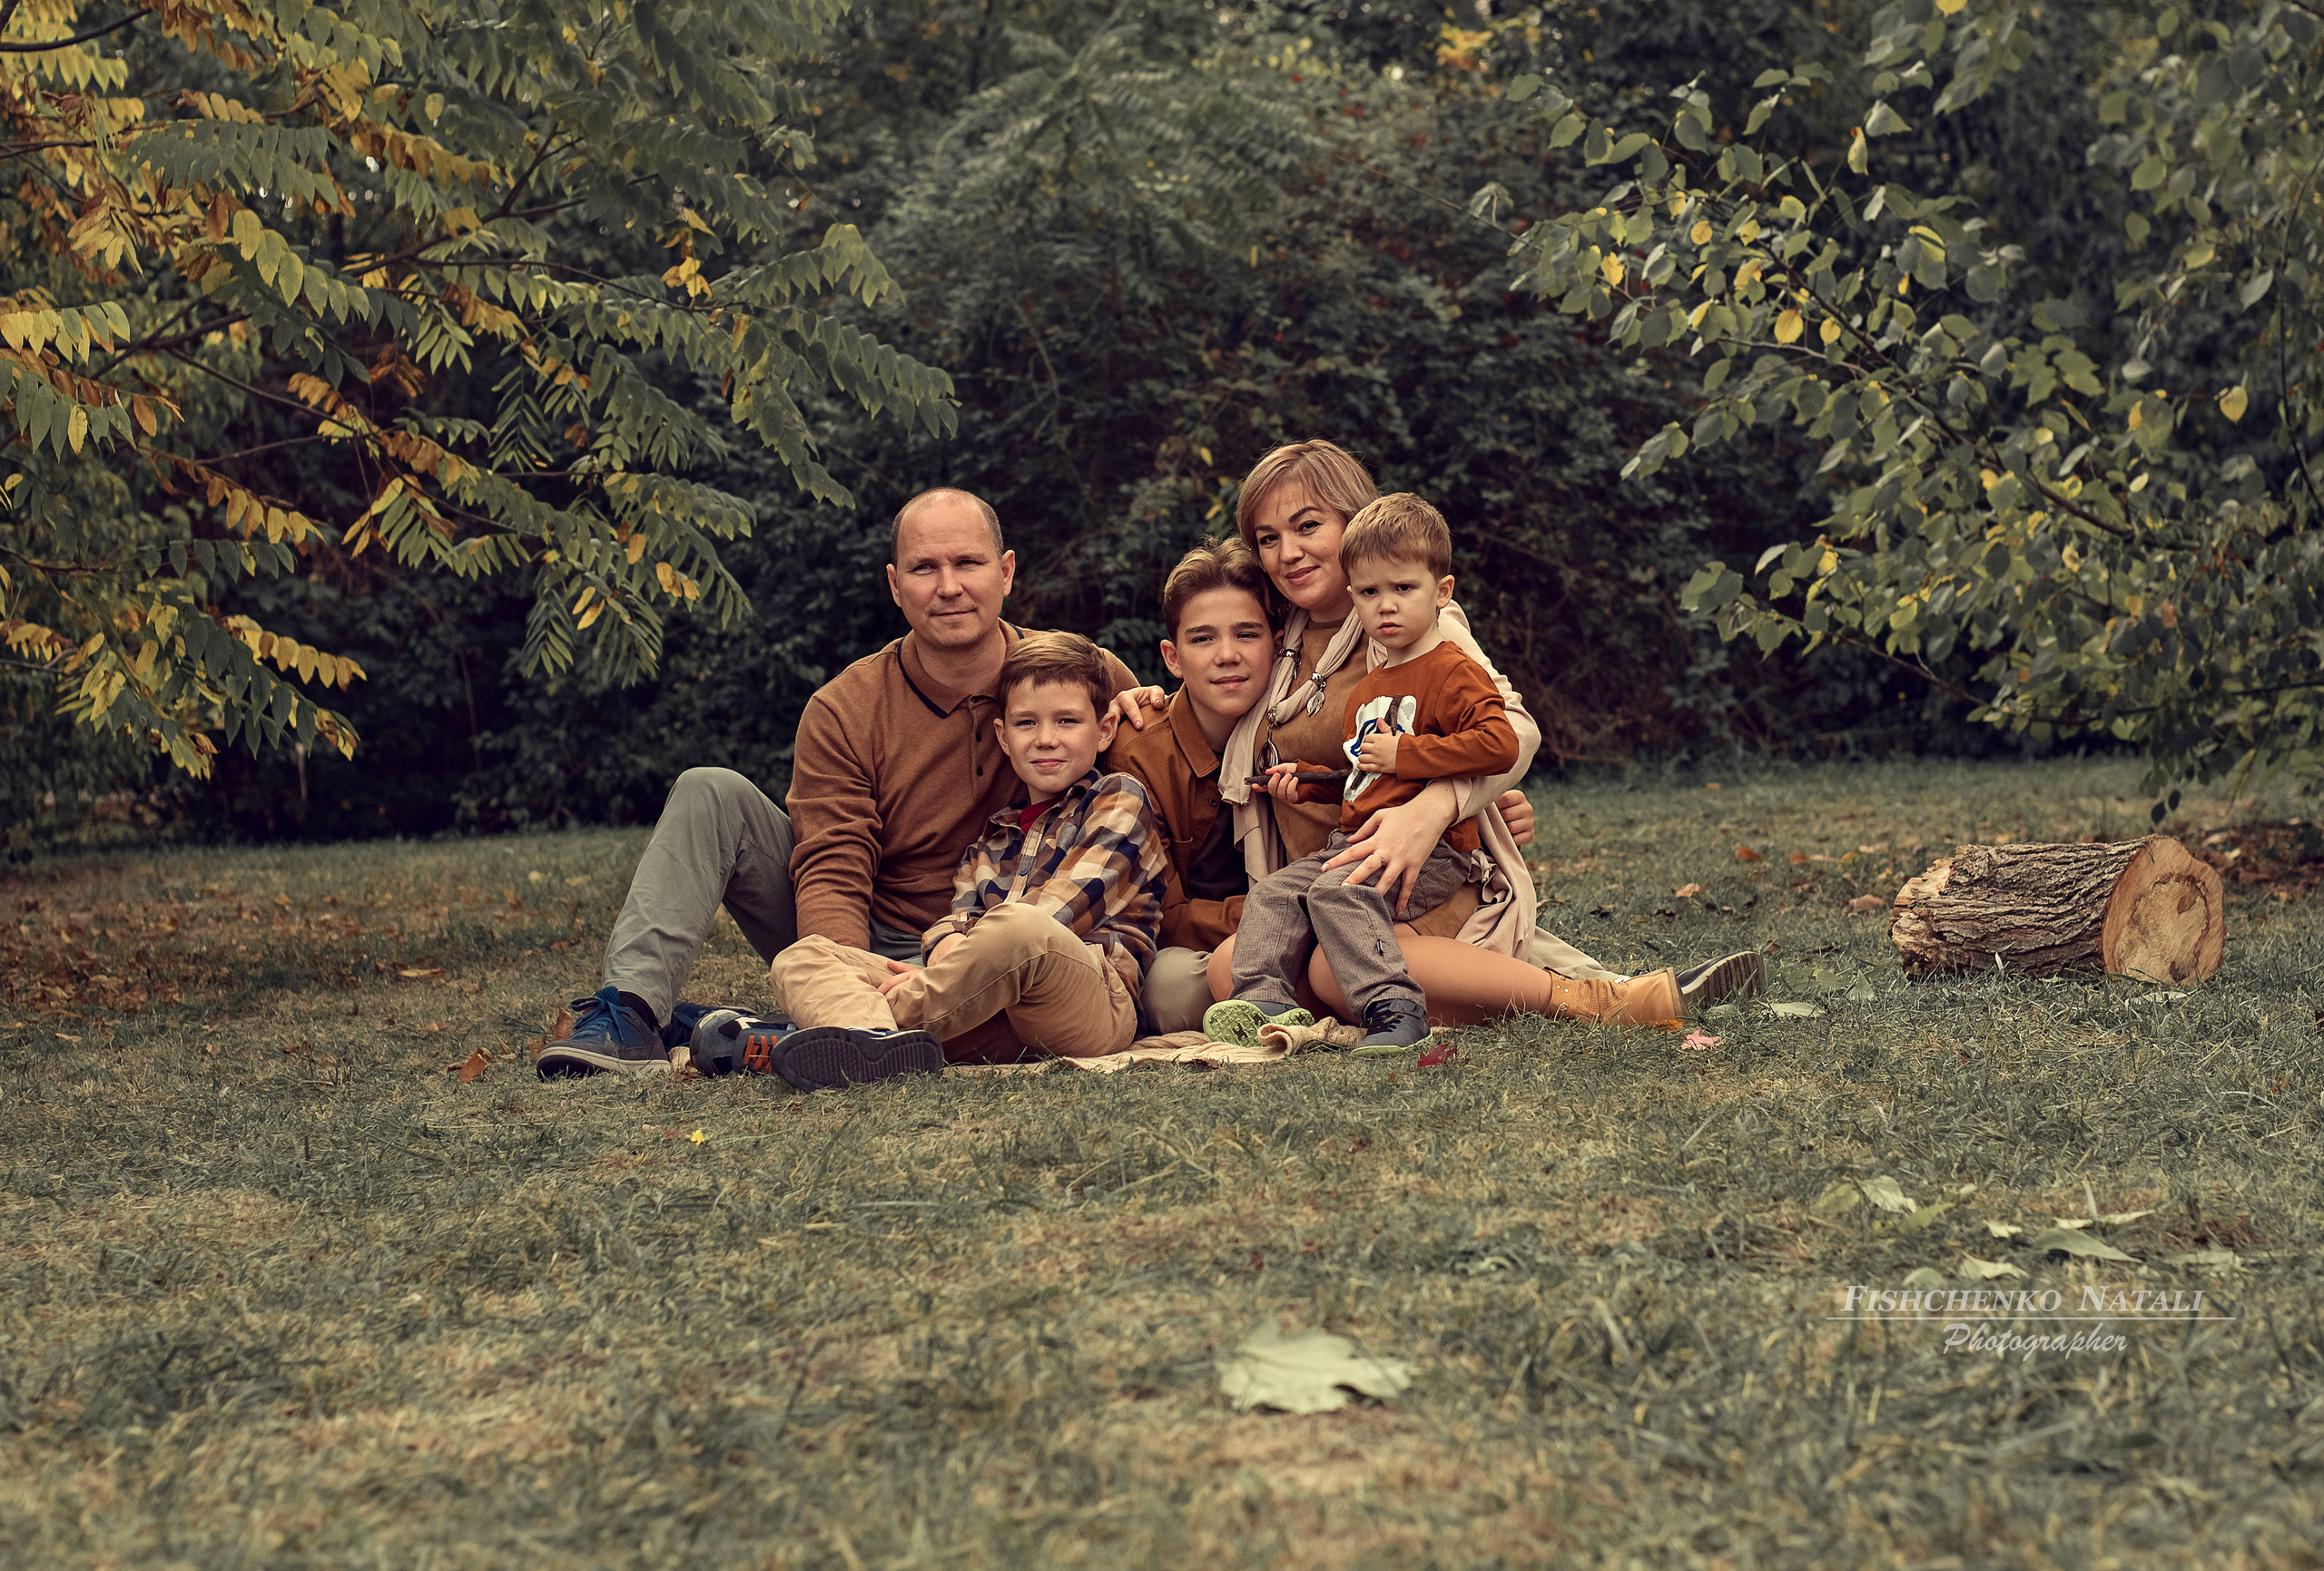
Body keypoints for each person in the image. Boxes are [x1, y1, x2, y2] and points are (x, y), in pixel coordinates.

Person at [537, 488, 1144, 1077]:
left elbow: (1156, 807)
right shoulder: (846, 706)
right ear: (895, 585)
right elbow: (832, 865)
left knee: (1019, 948)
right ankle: (630, 1012)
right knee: (709, 789)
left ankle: (784, 1034)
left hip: (1013, 941)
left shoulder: (1078, 674)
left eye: (968, 563)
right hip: (874, 937)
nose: (949, 586)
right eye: (925, 567)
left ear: (1006, 571)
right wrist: (848, 971)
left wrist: (1158, 707)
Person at [1198, 439, 1761, 1027]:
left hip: (1421, 867)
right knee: (1228, 968)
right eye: (1267, 538)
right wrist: (1130, 689)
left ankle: (1592, 1001)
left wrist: (1437, 807)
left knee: (1326, 973)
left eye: (1307, 525)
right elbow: (1200, 680)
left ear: (1354, 523)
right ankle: (1493, 1000)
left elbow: (1513, 729)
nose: (1288, 552)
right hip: (1333, 873)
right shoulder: (1270, 636)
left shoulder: (1417, 624)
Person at [763, 633, 1169, 1073]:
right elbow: (951, 921)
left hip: (1088, 1000)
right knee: (805, 956)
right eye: (1027, 723)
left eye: (1067, 722)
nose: (1046, 739)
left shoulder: (1118, 799)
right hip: (983, 1005)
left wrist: (950, 966)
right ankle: (876, 1049)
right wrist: (948, 946)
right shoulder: (992, 839)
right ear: (1004, 735)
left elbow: (1055, 917)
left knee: (1020, 927)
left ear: (1104, 729)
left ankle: (852, 1028)